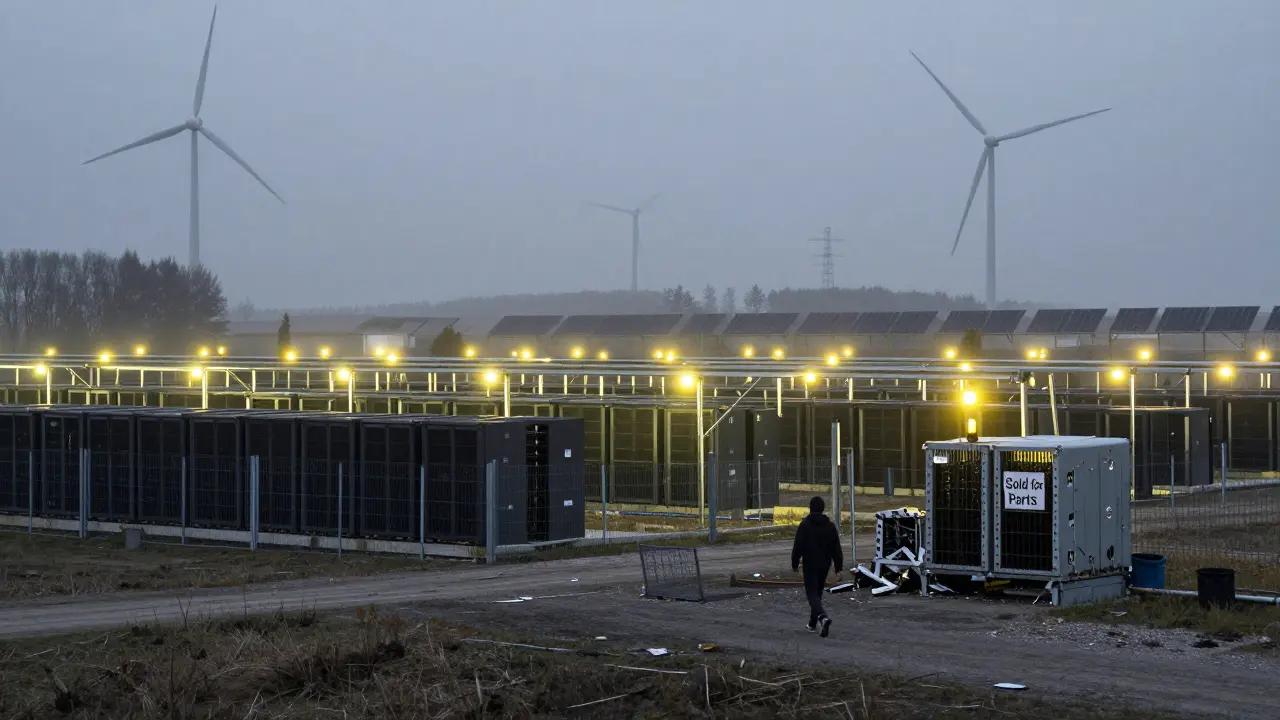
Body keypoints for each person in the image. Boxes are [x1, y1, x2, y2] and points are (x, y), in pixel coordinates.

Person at [791, 495, 843, 637]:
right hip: (824, 565)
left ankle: (823, 618)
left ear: (810, 508)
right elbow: (836, 549)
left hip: (810, 564)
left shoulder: (805, 525)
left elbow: (798, 546)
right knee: (818, 594)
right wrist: (838, 567)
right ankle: (812, 623)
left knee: (812, 595)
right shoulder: (830, 526)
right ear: (823, 509)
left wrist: (795, 565)